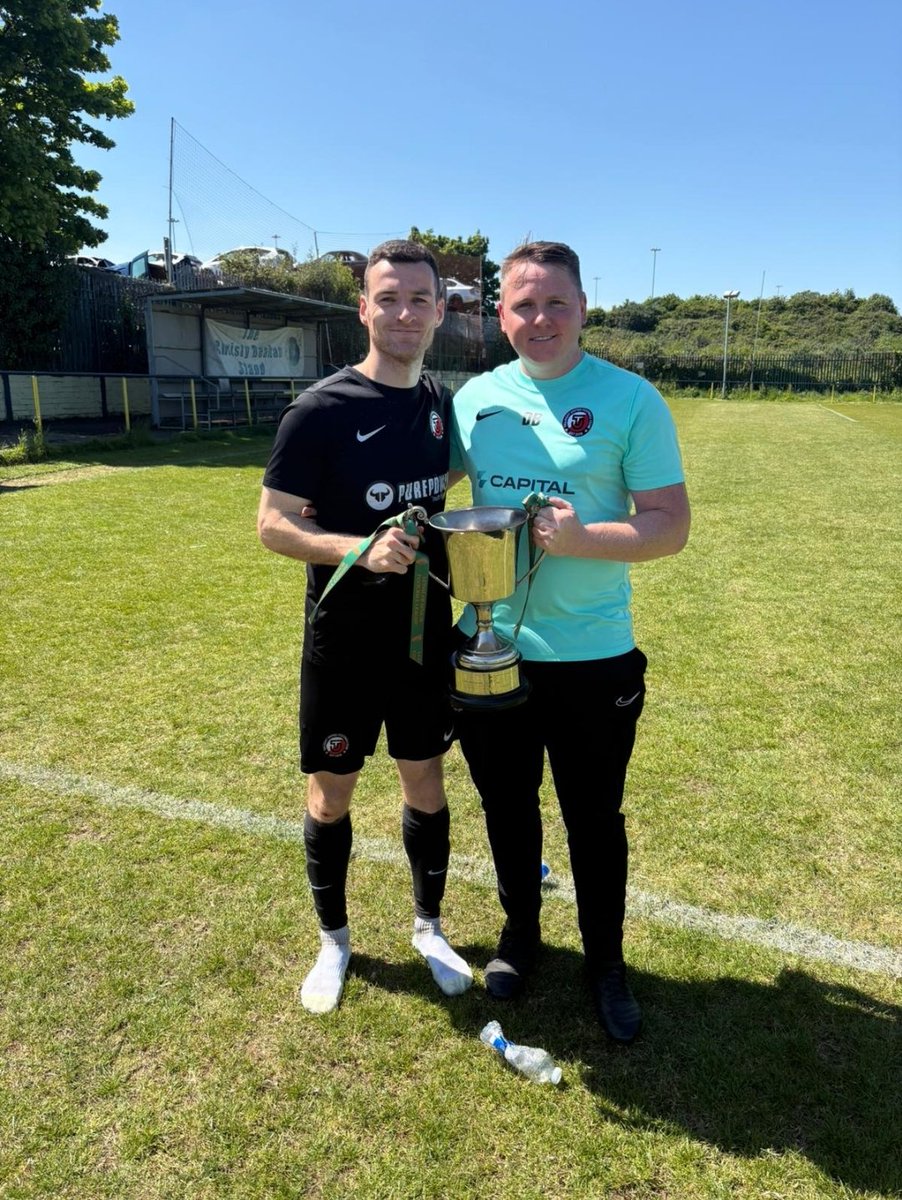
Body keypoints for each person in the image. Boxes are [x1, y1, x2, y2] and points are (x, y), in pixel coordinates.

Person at [449, 241, 690, 1042]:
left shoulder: (631, 400)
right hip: (492, 651)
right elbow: (425, 489)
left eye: (556, 303)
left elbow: (670, 526)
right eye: (523, 305)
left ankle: (606, 962)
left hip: (594, 658)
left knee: (594, 816)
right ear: (500, 315)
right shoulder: (473, 398)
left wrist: (583, 539)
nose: (540, 319)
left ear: (584, 308)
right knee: (506, 806)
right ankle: (522, 935)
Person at [257, 239, 472, 1014]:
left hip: (422, 643)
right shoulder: (317, 411)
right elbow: (273, 526)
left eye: (420, 299)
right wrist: (360, 547)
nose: (404, 312)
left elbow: (441, 482)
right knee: (331, 795)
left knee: (425, 780)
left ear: (440, 312)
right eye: (389, 298)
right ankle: (335, 942)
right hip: (342, 644)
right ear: (364, 308)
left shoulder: (443, 406)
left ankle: (428, 927)